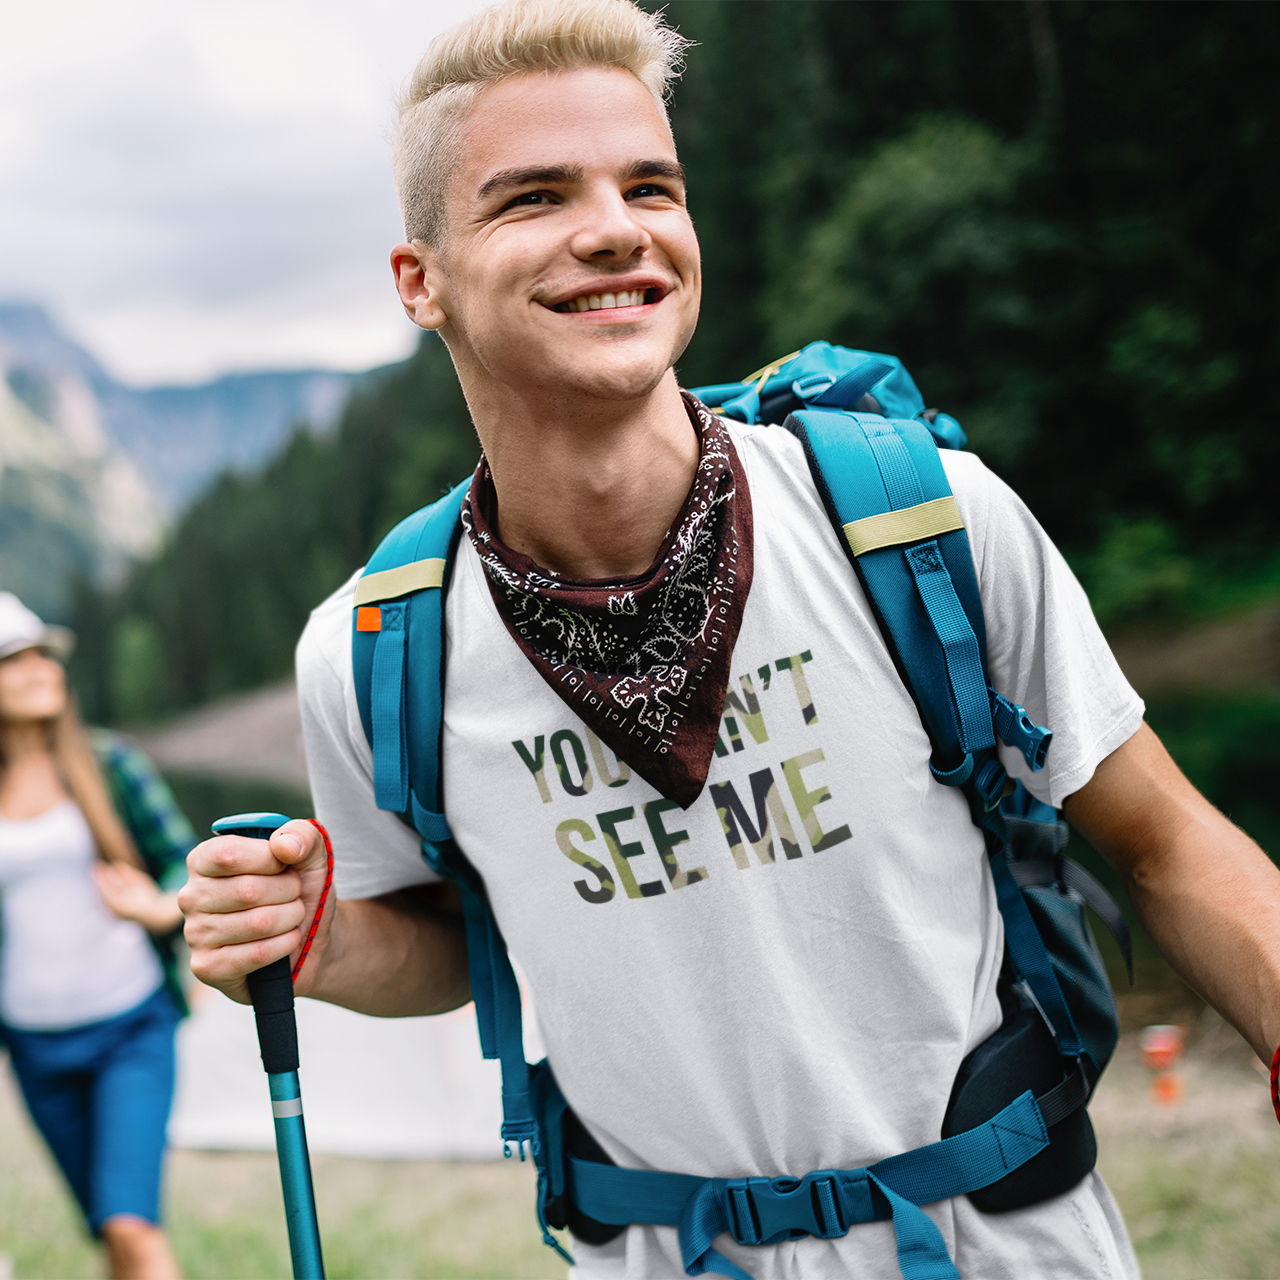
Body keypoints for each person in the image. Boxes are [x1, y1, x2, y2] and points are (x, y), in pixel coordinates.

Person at [179, 2, 1280, 1276]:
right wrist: (311, 936)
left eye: (650, 184)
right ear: (419, 280)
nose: (615, 228)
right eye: (534, 197)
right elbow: (440, 943)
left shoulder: (914, 518)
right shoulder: (372, 650)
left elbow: (1159, 842)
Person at [0, 593, 191, 1280]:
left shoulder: (110, 764)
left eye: (40, 654)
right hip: (33, 1047)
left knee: (132, 1227)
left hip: (129, 1028)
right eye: (11, 659)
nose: (37, 669)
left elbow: (183, 863)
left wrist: (161, 908)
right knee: (108, 1235)